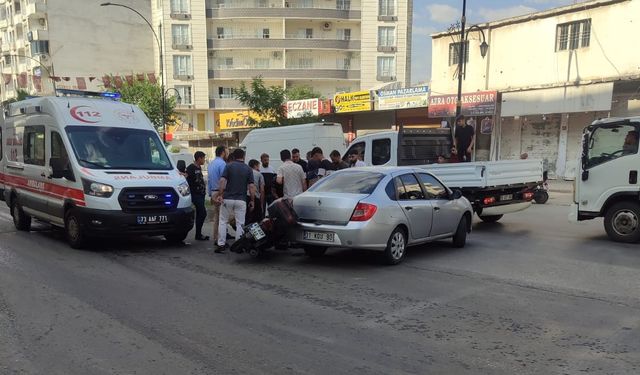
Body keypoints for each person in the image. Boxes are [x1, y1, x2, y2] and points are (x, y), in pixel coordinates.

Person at [214, 148, 256, 253]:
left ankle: (221, 244)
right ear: (243, 156)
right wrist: (252, 200)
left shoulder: (228, 166)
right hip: (241, 200)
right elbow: (251, 186)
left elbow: (223, 180)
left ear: (234, 156)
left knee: (223, 221)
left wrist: (220, 194)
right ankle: (239, 245)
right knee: (240, 223)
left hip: (227, 198)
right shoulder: (248, 169)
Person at [208, 145, 228, 245]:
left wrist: (210, 194)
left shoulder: (211, 164)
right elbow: (223, 180)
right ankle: (220, 240)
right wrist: (222, 193)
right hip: (220, 192)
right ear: (223, 152)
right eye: (227, 151)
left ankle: (216, 238)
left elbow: (208, 180)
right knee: (223, 218)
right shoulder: (222, 164)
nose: (227, 153)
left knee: (217, 217)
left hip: (213, 191)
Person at [186, 151, 209, 241]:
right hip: (195, 195)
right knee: (203, 213)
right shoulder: (191, 168)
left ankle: (198, 234)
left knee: (201, 213)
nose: (204, 160)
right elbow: (186, 177)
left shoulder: (198, 167)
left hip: (201, 194)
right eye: (203, 158)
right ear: (199, 158)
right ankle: (198, 234)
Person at [246, 159, 265, 224]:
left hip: (245, 198)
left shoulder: (245, 173)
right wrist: (261, 204)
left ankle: (244, 233)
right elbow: (262, 190)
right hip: (255, 198)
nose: (259, 168)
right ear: (255, 166)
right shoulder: (259, 175)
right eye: (258, 166)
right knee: (257, 220)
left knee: (246, 218)